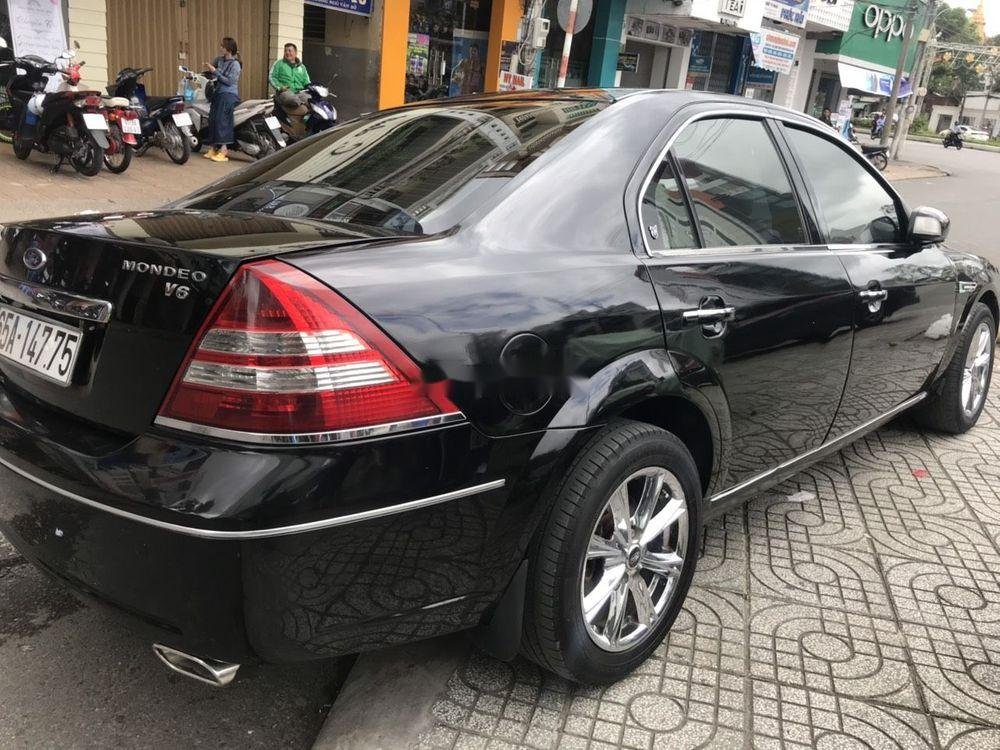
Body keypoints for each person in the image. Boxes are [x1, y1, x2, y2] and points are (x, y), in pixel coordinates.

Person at [204, 37, 241, 163]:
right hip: (218, 93)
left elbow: (229, 82)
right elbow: (212, 72)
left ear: (228, 49)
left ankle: (224, 150)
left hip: (228, 95)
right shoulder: (219, 60)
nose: (220, 48)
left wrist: (215, 72)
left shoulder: (235, 64)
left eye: (222, 46)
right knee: (212, 119)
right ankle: (213, 148)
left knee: (222, 120)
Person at [270, 42, 311, 108]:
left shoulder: (302, 67)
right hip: (285, 92)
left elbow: (307, 81)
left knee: (312, 101)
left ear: (295, 53)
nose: (287, 53)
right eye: (285, 51)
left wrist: (311, 88)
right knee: (293, 100)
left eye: (289, 51)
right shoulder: (279, 64)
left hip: (300, 93)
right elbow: (272, 77)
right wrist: (280, 87)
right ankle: (301, 108)